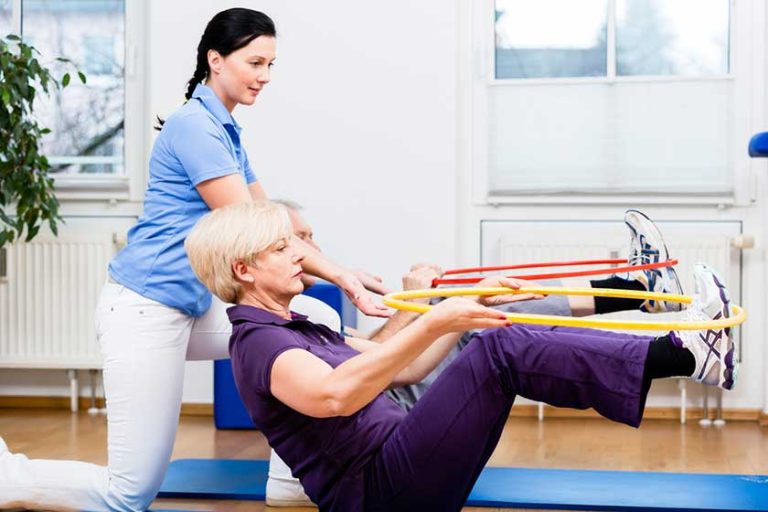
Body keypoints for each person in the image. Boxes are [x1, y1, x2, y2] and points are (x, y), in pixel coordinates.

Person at [0, 9, 387, 511]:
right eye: (255, 63)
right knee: (128, 495)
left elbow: (275, 221)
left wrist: (337, 267)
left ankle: (291, 479)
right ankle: (10, 479)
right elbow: (257, 230)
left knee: (314, 317)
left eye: (271, 64)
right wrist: (340, 274)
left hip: (187, 308)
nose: (265, 76)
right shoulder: (193, 127)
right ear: (216, 60)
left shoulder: (225, 130)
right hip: (143, 310)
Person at [185, 201, 737, 512]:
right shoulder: (259, 344)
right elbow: (336, 394)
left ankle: (683, 356)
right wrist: (442, 316)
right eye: (284, 249)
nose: (301, 256)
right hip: (380, 492)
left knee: (496, 329)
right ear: (244, 270)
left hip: (400, 457)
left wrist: (463, 308)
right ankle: (681, 357)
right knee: (497, 346)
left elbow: (405, 369)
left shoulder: (295, 324)